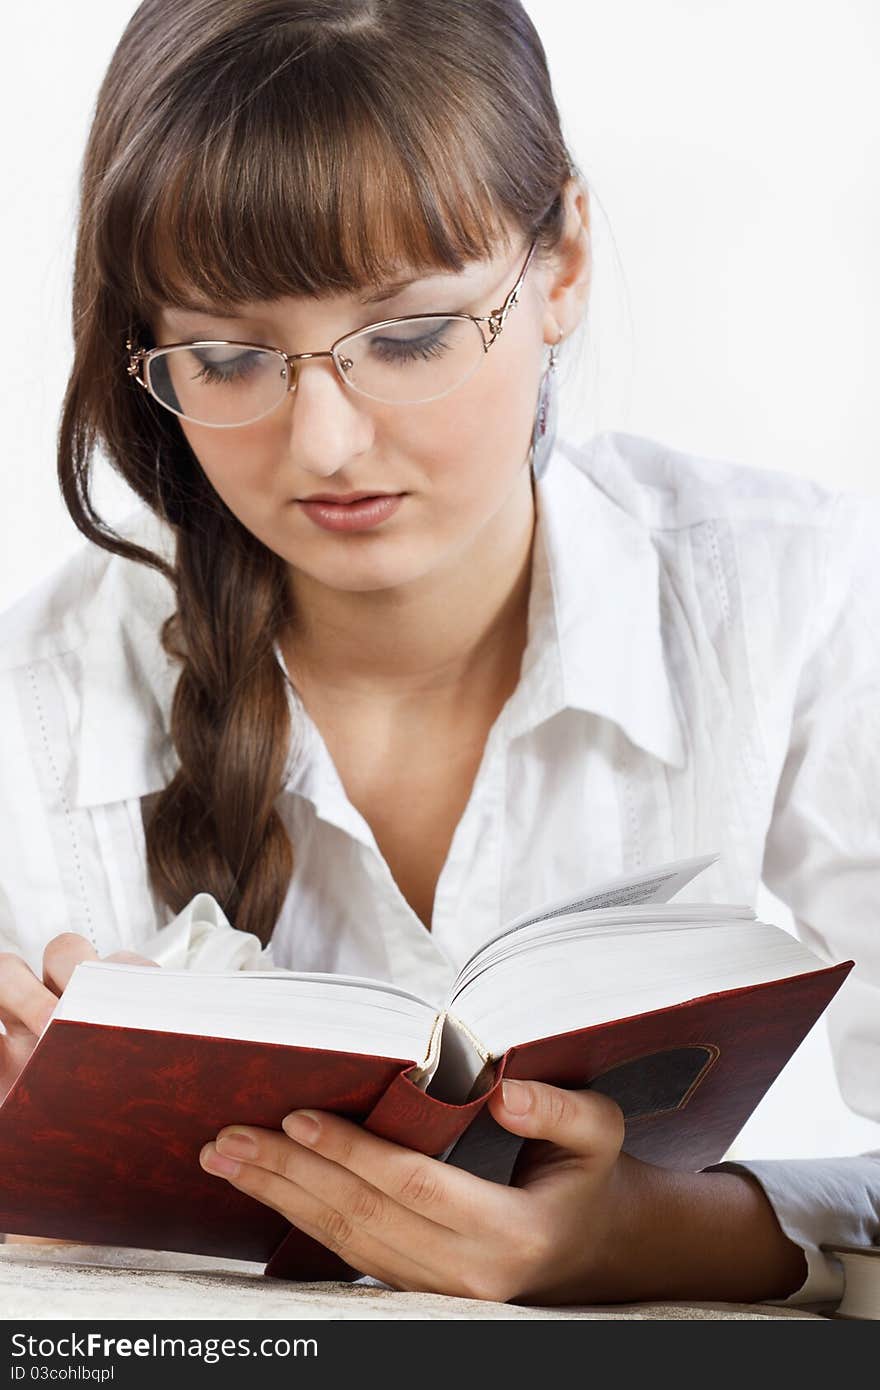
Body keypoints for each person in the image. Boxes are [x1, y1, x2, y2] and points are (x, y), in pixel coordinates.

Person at [0, 0, 877, 1309]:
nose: (327, 446)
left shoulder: (797, 594)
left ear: (563, 262)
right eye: (228, 357)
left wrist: (680, 1235)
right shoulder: (46, 691)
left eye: (407, 336)